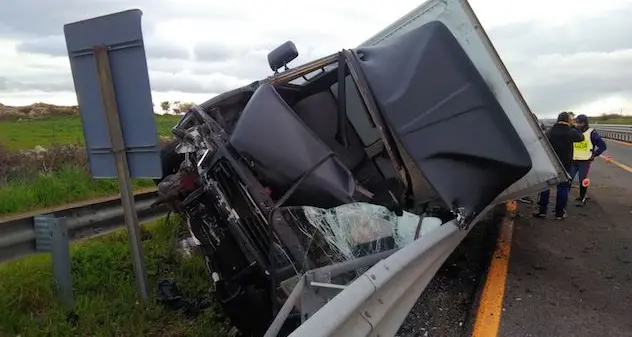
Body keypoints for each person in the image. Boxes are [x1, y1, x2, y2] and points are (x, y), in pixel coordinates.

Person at [534, 111, 584, 220]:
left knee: (545, 187)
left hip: (550, 162)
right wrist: (575, 127)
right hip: (565, 163)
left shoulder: (550, 131)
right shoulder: (571, 131)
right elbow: (581, 138)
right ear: (568, 120)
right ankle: (559, 213)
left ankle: (542, 210)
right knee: (562, 188)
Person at [569, 114, 607, 207]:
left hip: (585, 161)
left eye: (580, 123)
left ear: (584, 123)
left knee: (583, 180)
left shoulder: (592, 133)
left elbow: (603, 146)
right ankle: (564, 199)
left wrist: (594, 154)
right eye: (577, 122)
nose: (578, 124)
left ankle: (582, 198)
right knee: (569, 179)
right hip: (573, 160)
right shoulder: (574, 131)